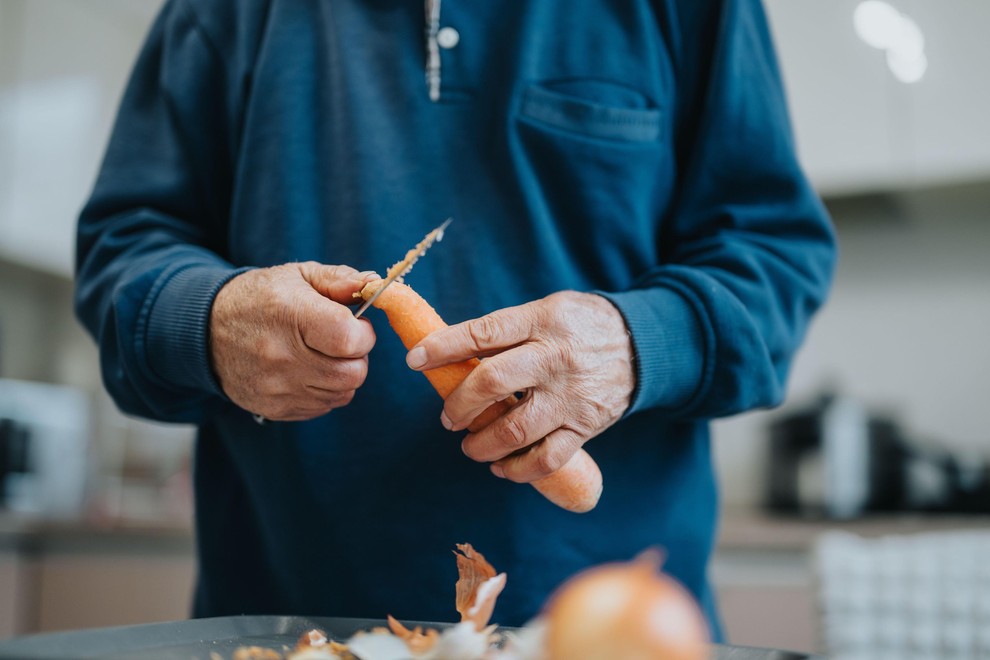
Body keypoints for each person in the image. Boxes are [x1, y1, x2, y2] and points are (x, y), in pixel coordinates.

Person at [74, 0, 835, 637]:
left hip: (609, 636)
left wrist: (640, 343)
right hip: (283, 633)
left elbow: (774, 256)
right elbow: (123, 252)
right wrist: (205, 321)